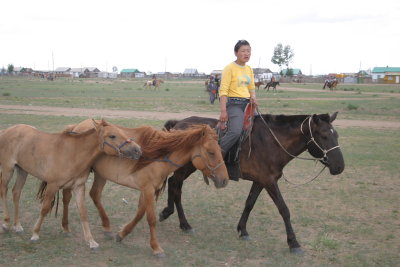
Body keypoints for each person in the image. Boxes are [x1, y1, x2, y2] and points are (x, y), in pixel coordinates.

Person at [219, 40, 257, 157]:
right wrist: (223, 111)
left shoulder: (249, 69)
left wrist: (253, 98)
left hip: (247, 105)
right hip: (234, 104)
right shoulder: (229, 68)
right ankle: (217, 154)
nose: (247, 54)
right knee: (235, 132)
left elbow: (251, 87)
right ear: (236, 53)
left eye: (249, 51)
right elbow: (223, 91)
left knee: (260, 129)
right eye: (243, 51)